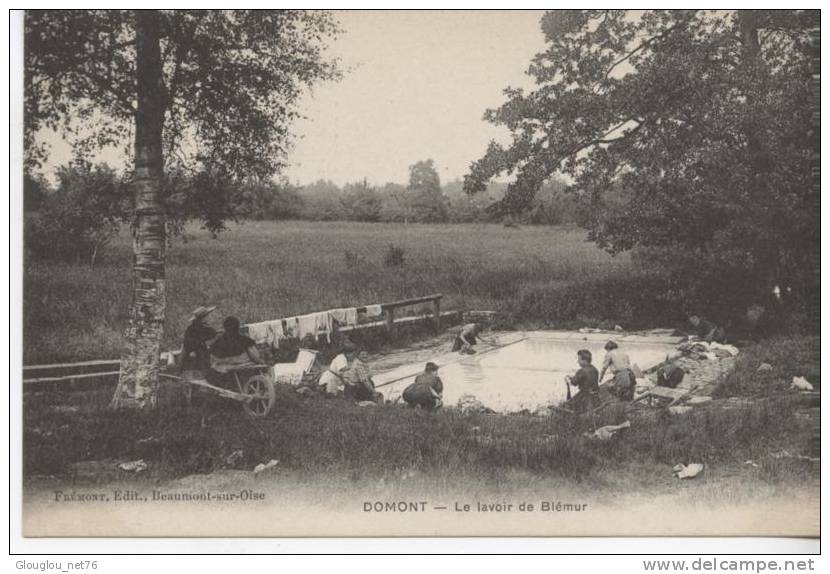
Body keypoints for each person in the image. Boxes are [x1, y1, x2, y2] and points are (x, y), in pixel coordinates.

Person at [179, 305, 218, 373]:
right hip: (198, 355)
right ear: (203, 318)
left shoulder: (190, 328)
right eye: (207, 316)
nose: (208, 317)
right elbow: (213, 333)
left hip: (191, 354)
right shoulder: (204, 328)